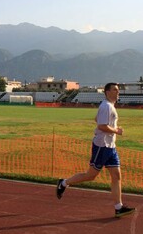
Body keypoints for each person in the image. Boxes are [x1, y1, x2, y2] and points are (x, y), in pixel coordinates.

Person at [56, 82, 135, 218]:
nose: (118, 92)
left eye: (118, 90)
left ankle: (118, 207)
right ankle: (63, 183)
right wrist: (117, 130)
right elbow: (102, 126)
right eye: (115, 90)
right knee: (91, 175)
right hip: (101, 146)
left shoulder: (109, 106)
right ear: (107, 92)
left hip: (110, 147)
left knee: (116, 176)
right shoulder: (106, 106)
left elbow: (97, 119)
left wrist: (112, 129)